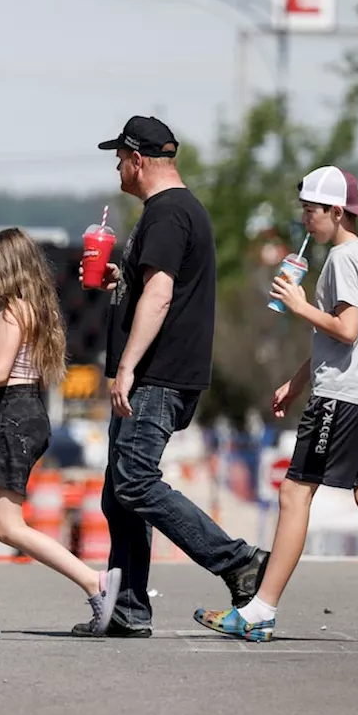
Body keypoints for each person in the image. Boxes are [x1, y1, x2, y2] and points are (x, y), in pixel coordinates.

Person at [194, 165, 358, 644]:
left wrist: (297, 305)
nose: (305, 220)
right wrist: (296, 382)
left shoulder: (342, 259)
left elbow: (347, 328)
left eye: (311, 211)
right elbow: (336, 337)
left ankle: (259, 612)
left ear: (337, 212)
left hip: (342, 397)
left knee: (295, 493)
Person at [75, 116, 268, 639]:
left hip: (156, 376)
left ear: (139, 160)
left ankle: (238, 562)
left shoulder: (167, 214)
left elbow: (161, 296)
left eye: (119, 157)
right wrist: (121, 278)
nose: (116, 165)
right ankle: (129, 609)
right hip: (159, 374)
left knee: (134, 481)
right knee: (119, 492)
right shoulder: (176, 213)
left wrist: (127, 367)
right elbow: (156, 286)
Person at [0, 227, 123, 640]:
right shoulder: (13, 309)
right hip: (5, 416)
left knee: (7, 526)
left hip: (12, 415)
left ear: (8, 268)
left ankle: (95, 582)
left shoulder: (15, 311)